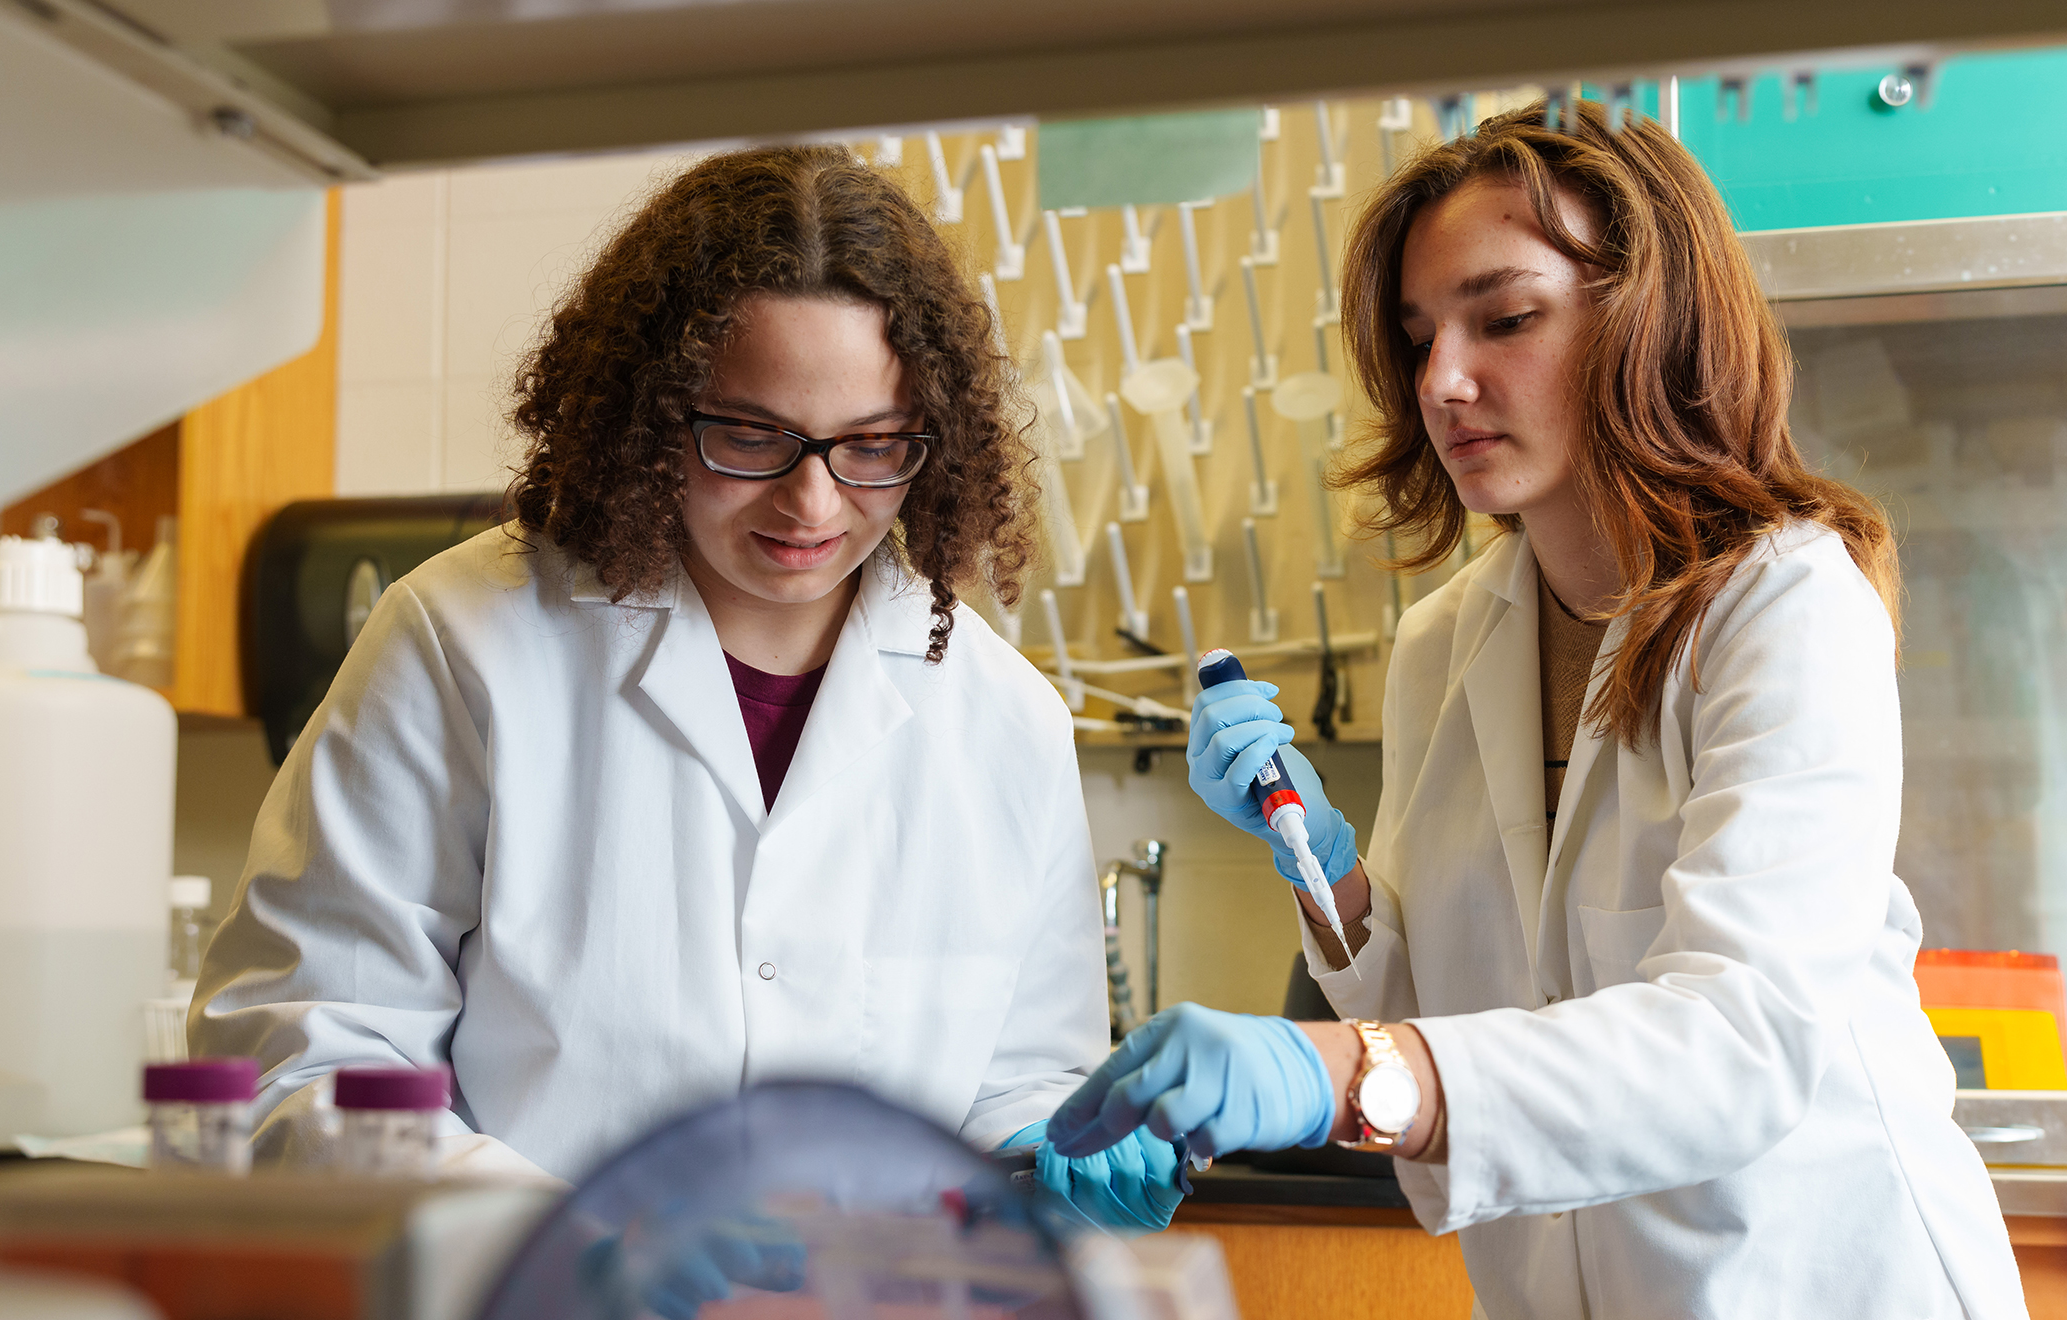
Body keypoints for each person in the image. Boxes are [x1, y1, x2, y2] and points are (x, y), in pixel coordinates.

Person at [1048, 101, 2028, 1316]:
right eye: (1418, 338)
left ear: (1647, 324)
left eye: (1505, 319)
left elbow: (1738, 1041)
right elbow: (1442, 1035)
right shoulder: (1444, 641)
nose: (1442, 381)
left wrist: (1325, 1068)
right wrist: (1322, 872)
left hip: (1824, 1281)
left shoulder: (1785, 603)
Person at [193, 145, 1180, 1235]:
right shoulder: (464, 644)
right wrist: (591, 1244)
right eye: (750, 436)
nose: (813, 503)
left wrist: (1045, 1149)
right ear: (651, 413)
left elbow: (1017, 1081)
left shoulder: (1001, 719)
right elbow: (310, 1046)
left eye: (872, 446)